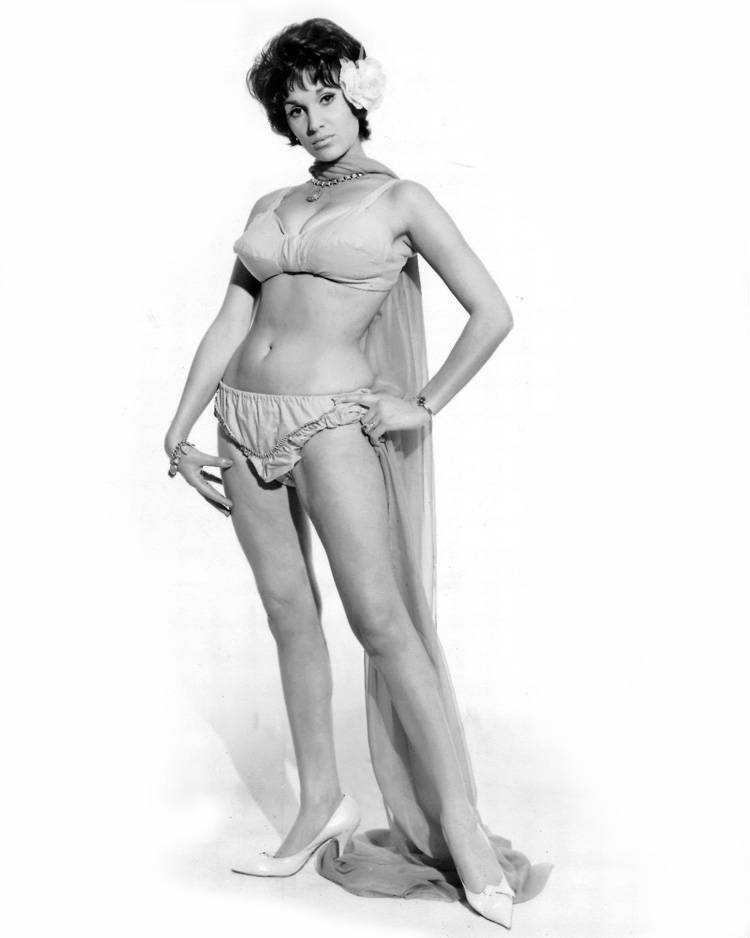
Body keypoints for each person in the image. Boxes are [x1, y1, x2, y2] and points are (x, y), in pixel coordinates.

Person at [164, 17, 552, 929]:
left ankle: (461, 830)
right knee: (288, 615)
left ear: (358, 95)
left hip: (333, 421)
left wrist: (425, 401)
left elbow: (492, 311)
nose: (313, 121)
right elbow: (231, 321)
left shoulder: (403, 200)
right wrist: (178, 427)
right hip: (241, 419)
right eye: (295, 108)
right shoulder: (271, 204)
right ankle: (319, 806)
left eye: (326, 98)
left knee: (382, 623)